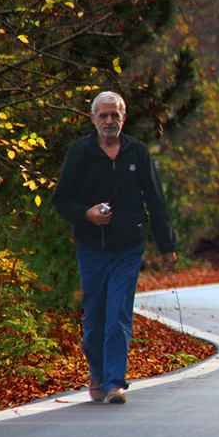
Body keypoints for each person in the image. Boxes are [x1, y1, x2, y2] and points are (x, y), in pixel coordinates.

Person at [53, 91, 177, 404]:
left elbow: (155, 200)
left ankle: (113, 383)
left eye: (115, 115)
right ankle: (97, 375)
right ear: (93, 118)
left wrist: (167, 246)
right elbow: (61, 199)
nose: (110, 121)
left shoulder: (137, 152)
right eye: (104, 115)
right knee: (95, 316)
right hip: (92, 247)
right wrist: (87, 214)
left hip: (128, 247)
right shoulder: (80, 153)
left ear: (124, 117)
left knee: (119, 312)